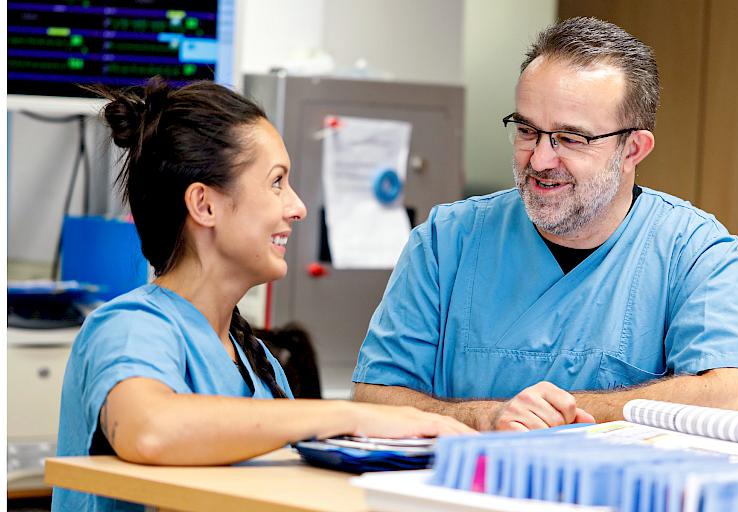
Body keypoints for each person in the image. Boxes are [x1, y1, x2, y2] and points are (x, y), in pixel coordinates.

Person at [54, 77, 482, 512]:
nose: (296, 206)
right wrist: (348, 415)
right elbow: (151, 430)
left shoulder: (257, 361)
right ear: (204, 205)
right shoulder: (130, 328)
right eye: (277, 182)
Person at [352, 17, 738, 430]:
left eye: (571, 139)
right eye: (527, 130)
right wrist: (485, 417)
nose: (539, 160)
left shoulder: (693, 251)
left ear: (633, 149)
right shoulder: (447, 242)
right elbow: (375, 398)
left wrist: (563, 413)